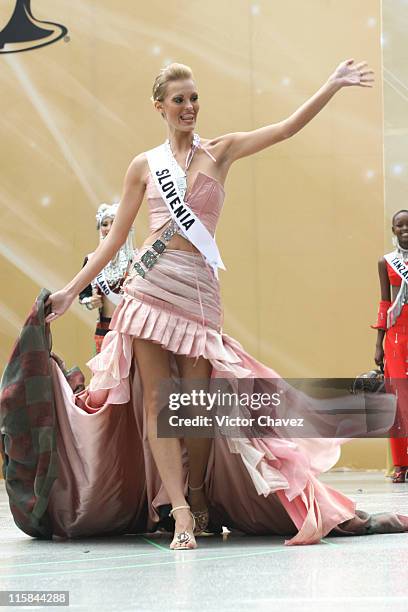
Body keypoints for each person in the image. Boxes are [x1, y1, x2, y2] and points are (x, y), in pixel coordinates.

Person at [31, 60, 408, 550]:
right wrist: (68, 290)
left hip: (198, 293)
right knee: (155, 401)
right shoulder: (144, 166)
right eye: (178, 100)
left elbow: (286, 128)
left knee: (192, 406)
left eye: (193, 98)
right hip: (150, 286)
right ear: (159, 107)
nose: (188, 107)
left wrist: (330, 86)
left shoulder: (221, 151)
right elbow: (115, 241)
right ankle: (183, 513)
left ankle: (198, 492)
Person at [373, 209, 408, 482]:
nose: (405, 229)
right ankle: (401, 464)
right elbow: (385, 303)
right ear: (393, 229)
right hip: (396, 337)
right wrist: (378, 343)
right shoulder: (386, 262)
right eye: (400, 225)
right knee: (397, 401)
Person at [78, 203, 135, 353]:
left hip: (131, 328)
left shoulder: (135, 258)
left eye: (114, 223)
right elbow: (83, 294)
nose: (109, 228)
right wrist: (90, 301)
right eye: (105, 224)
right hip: (104, 329)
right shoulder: (91, 260)